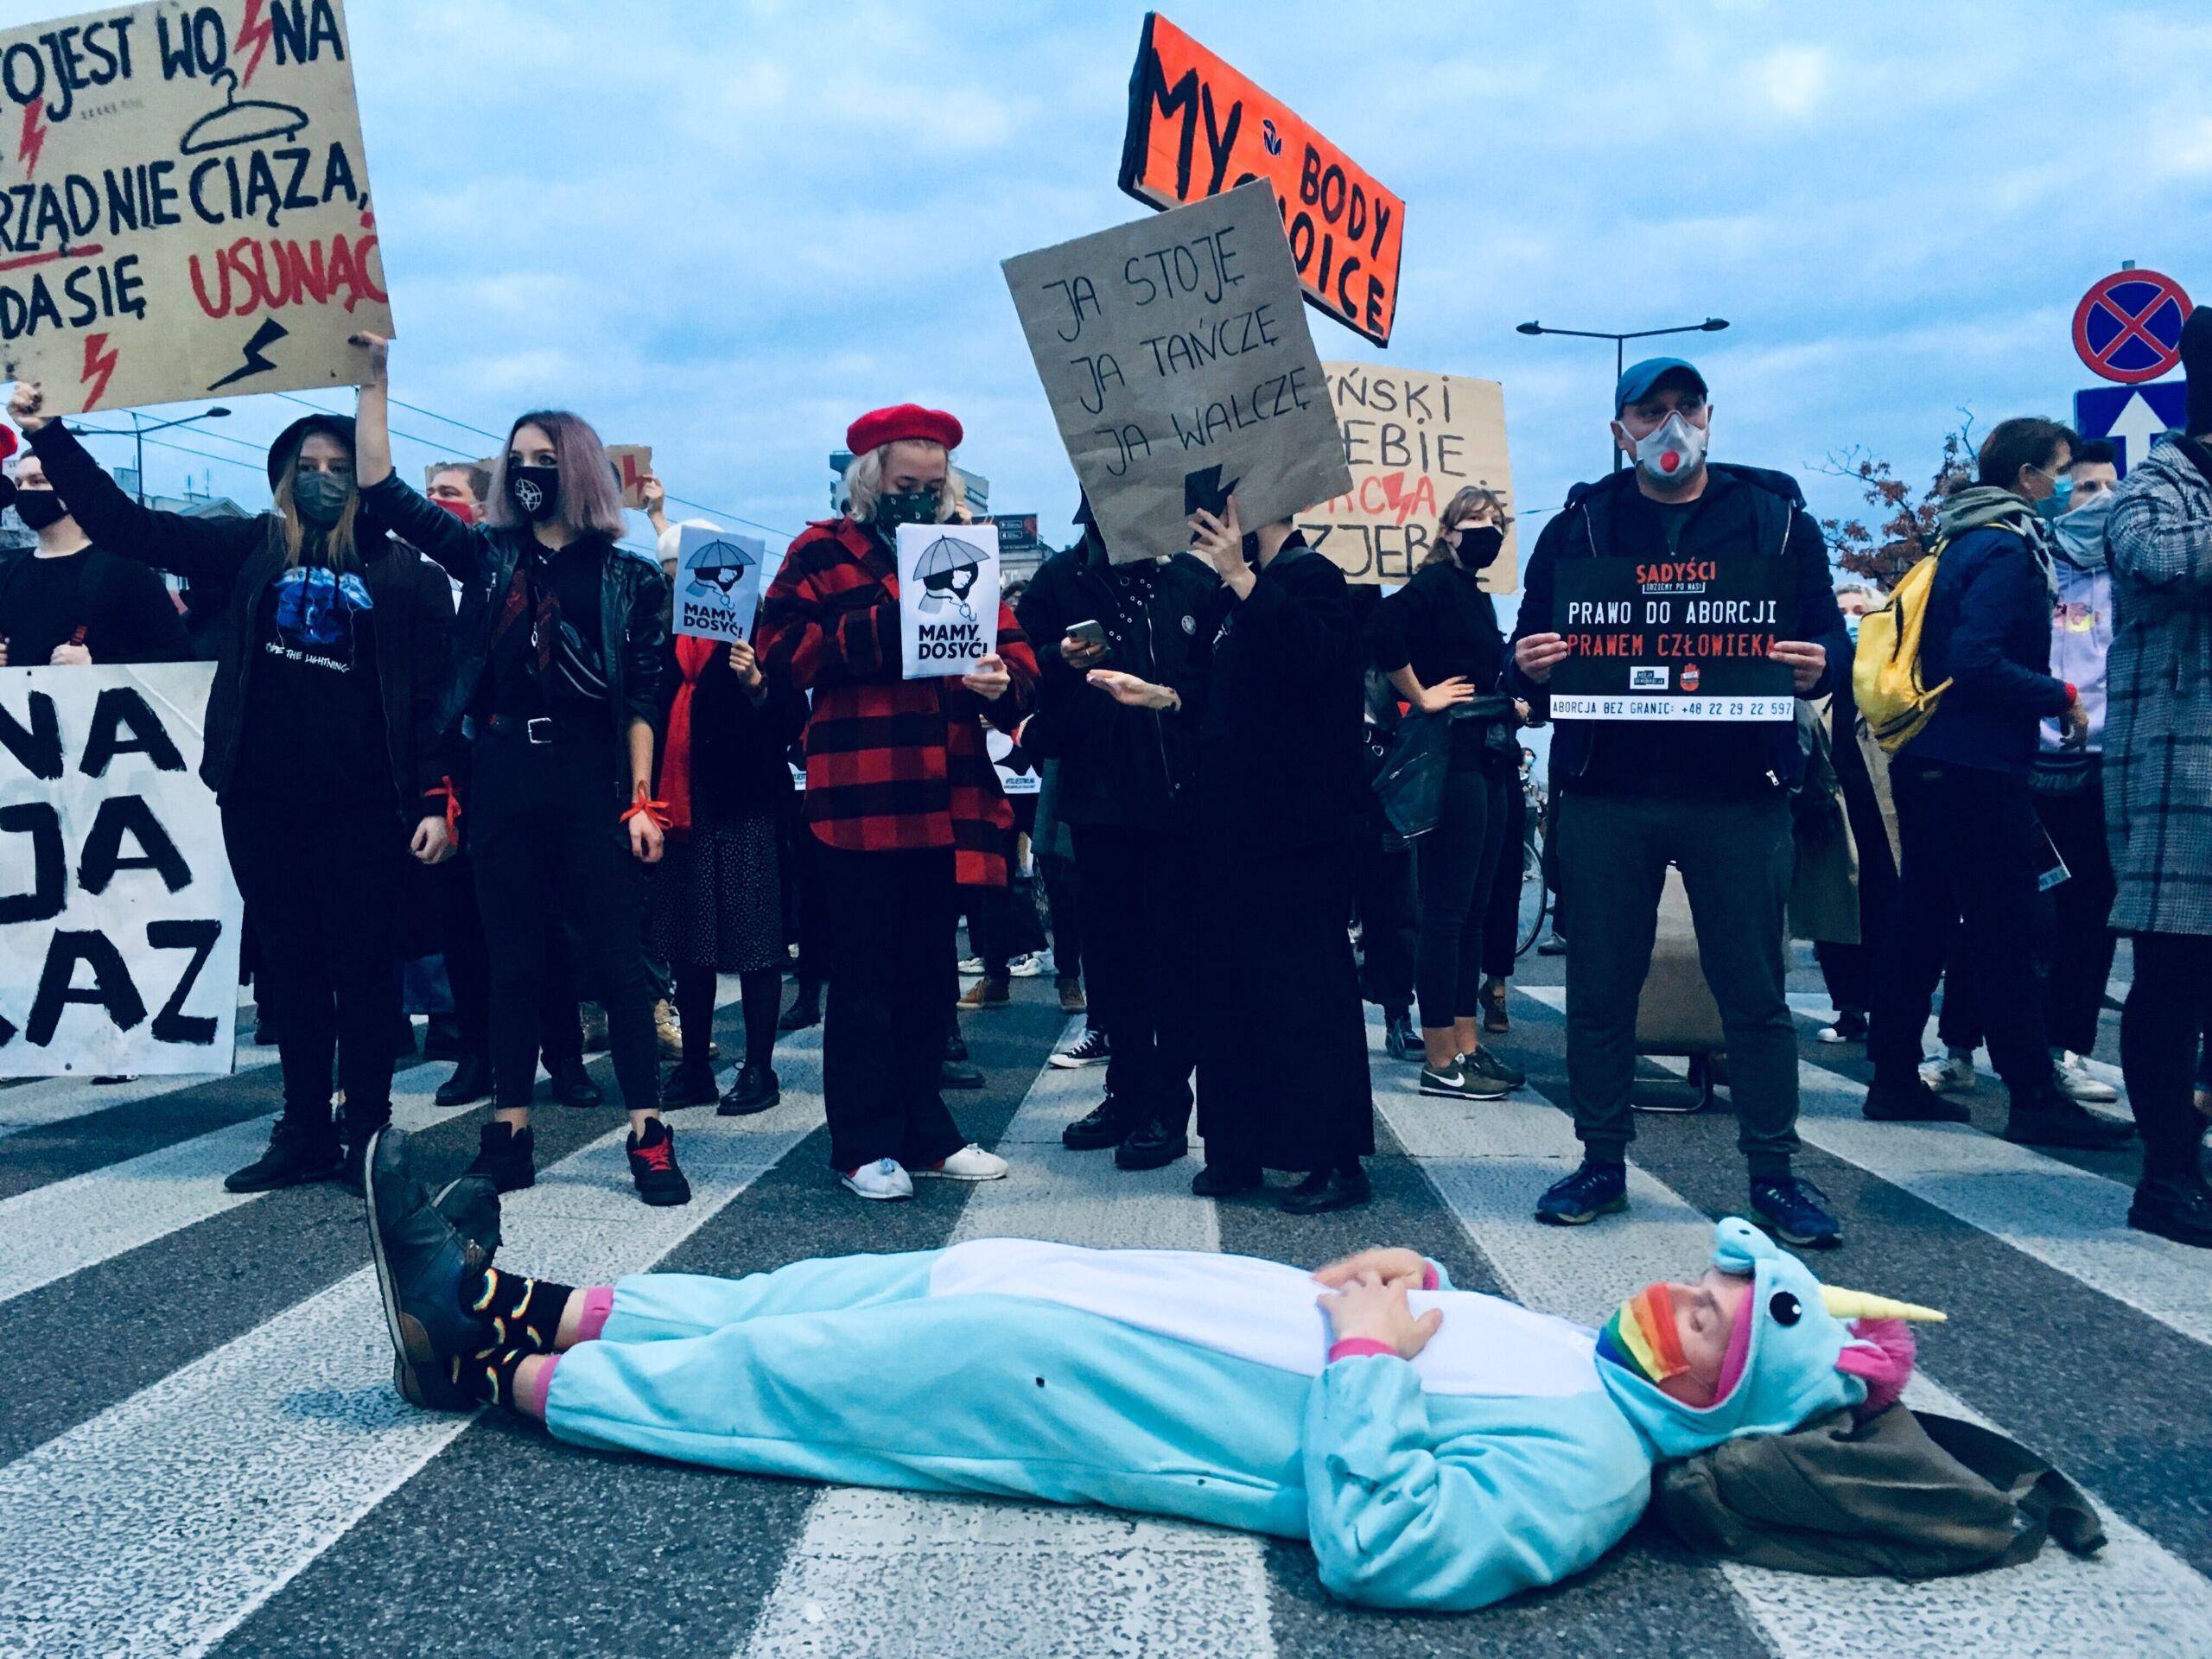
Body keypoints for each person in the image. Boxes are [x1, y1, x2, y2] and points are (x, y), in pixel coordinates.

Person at [365, 1126, 1936, 1613]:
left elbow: (1395, 1549)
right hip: (1095, 1302)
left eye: (1721, 1320)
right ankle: (501, 1293)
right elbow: (1423, 1342)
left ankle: (469, 1366)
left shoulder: (1597, 1471)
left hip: (1079, 1384)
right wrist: (1413, 1286)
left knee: (792, 1381)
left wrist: (1372, 1351)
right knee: (799, 1302)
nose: (1682, 1293)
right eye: (1712, 1281)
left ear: (1734, 1404)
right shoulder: (1598, 1376)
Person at [10, 380, 457, 1194]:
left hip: (365, 808)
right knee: (288, 970)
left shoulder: (405, 576)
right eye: (306, 465)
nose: (322, 478)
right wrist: (51, 435)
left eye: (338, 466)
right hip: (262, 801)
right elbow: (126, 526)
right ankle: (304, 1131)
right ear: (283, 479)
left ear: (362, 481)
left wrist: (434, 799)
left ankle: (366, 1132)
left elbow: (432, 700)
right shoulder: (250, 549)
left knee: (361, 973)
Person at [1507, 359, 1850, 1243]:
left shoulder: (1773, 519)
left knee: (1754, 991)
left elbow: (1828, 637)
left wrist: (1822, 664)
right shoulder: (1580, 526)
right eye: (1647, 411)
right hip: (1607, 793)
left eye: (1682, 408)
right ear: (1618, 428)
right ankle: (1599, 1160)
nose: (1668, 425)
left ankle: (1773, 1172)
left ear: (1708, 417)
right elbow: (1525, 653)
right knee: (1600, 985)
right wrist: (1530, 668)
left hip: (1737, 794)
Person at [349, 332, 693, 1208]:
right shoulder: (488, 555)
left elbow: (646, 692)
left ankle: (648, 1131)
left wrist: (643, 802)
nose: (527, 469)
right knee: (511, 960)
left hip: (592, 780)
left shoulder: (626, 578)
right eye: (517, 458)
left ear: (577, 467)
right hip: (502, 767)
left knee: (619, 963)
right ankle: (508, 1129)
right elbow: (383, 493)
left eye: (544, 458)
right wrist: (374, 385)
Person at [755, 404, 1036, 1201]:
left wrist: (1000, 680)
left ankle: (925, 1131)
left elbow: (1017, 656)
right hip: (860, 797)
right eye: (905, 482)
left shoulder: (965, 553)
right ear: (871, 479)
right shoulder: (818, 550)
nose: (919, 495)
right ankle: (861, 1140)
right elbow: (780, 650)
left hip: (943, 790)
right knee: (864, 977)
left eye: (932, 483)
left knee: (928, 976)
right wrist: (893, 623)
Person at [1862, 419, 2133, 1154]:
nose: (2065, 488)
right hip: (1978, 766)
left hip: (1929, 756)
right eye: (2061, 472)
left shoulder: (1957, 540)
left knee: (1922, 915)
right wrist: (2058, 696)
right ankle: (2034, 1097)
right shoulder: (2009, 549)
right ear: (2026, 479)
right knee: (2009, 928)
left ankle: (1892, 1075)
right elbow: (1975, 658)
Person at [1015, 493, 1213, 1169]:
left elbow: (1217, 683)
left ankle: (1167, 1103)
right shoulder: (1061, 580)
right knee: (1113, 958)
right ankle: (1127, 1092)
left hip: (1175, 796)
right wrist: (1057, 657)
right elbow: (1023, 674)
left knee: (1173, 956)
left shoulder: (1192, 578)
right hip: (1097, 798)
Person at [1187, 498, 1374, 1212]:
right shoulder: (1223, 594)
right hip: (1231, 822)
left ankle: (1335, 1158)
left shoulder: (1315, 575)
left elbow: (1317, 663)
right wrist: (1167, 699)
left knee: (1307, 991)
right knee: (1230, 987)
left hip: (1301, 826)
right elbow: (1223, 697)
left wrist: (1244, 578)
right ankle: (1239, 1147)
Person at [2104, 314, 2212, 1247]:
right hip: (2180, 774)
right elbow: (2158, 560)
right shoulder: (2157, 487)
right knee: (2173, 976)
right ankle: (2166, 1172)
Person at [1367, 486, 1525, 1103]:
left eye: (1496, 524)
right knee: (1445, 913)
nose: (1486, 531)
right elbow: (1380, 631)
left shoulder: (1473, 596)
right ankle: (1440, 1056)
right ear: (1448, 529)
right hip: (1450, 758)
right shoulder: (1433, 585)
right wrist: (1422, 694)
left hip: (1485, 753)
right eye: (1474, 521)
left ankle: (1465, 1044)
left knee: (1473, 914)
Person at [648, 514, 805, 1116]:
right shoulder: (661, 639)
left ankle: (759, 1068)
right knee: (689, 943)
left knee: (754, 940)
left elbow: (792, 719)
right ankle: (694, 1067)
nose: (686, 587)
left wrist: (758, 685)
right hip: (681, 806)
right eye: (675, 576)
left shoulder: (765, 631)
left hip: (745, 804)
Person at [0, 451, 191, 668]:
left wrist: (96, 666)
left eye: (37, 482)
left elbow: (178, 657)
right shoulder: (7, 574)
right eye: (18, 483)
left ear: (72, 491)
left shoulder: (126, 573)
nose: (24, 491)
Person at [1812, 584, 1892, 1046]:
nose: (1850, 620)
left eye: (1859, 612)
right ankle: (1849, 1009)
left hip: (1884, 813)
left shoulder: (1890, 679)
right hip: (1833, 812)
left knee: (1886, 910)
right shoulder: (1821, 685)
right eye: (1841, 612)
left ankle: (1887, 1008)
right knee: (1837, 917)